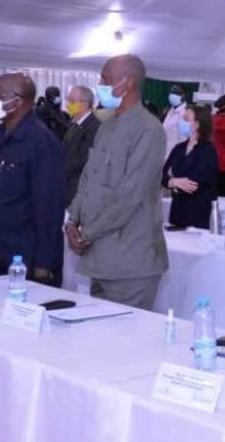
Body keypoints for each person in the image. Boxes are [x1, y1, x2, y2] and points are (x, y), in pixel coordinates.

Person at [67, 54, 168, 309]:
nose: (100, 83)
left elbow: (130, 196)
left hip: (131, 263)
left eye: (105, 78)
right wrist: (72, 221)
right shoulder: (107, 125)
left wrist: (86, 233)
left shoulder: (149, 129)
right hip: (99, 258)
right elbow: (88, 180)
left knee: (125, 344)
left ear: (129, 83)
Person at [0, 73, 65, 285]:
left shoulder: (42, 142)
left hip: (26, 259)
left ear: (16, 102)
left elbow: (49, 207)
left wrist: (45, 263)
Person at [162, 104, 218, 229]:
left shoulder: (208, 150)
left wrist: (174, 184)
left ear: (198, 124)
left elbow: (194, 182)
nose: (182, 122)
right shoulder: (179, 148)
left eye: (186, 119)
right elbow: (162, 174)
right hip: (177, 211)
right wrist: (173, 182)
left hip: (198, 212)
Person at [63, 85, 100, 205]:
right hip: (66, 187)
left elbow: (83, 160)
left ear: (84, 104)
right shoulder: (74, 124)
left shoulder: (94, 127)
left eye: (71, 101)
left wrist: (58, 170)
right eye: (68, 100)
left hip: (78, 191)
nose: (68, 104)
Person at [162, 84, 189, 157]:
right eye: (172, 92)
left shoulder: (185, 113)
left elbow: (184, 138)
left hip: (175, 156)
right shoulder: (170, 111)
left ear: (183, 96)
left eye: (176, 93)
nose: (172, 95)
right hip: (165, 153)